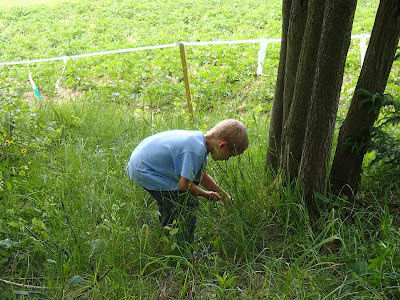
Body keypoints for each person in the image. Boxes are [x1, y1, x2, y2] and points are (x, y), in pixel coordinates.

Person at [126, 119, 249, 243]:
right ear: (222, 145)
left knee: (173, 201)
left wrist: (224, 196)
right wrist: (206, 195)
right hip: (146, 170)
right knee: (187, 202)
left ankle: (168, 230)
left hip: (142, 164)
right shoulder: (196, 150)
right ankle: (185, 244)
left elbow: (202, 176)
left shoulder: (198, 142)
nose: (227, 159)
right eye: (230, 155)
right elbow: (185, 185)